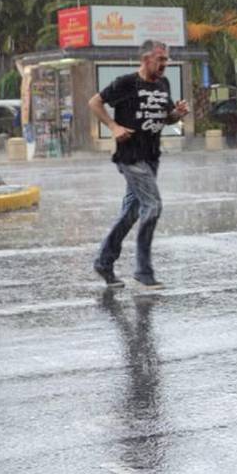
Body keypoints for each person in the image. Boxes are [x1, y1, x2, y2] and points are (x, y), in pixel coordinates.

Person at [89, 40, 189, 290]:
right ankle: (144, 272)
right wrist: (113, 127)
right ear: (145, 60)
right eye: (160, 59)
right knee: (153, 206)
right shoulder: (127, 83)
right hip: (130, 155)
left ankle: (104, 262)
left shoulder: (163, 84)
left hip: (151, 156)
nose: (164, 64)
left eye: (166, 59)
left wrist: (177, 114)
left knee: (132, 212)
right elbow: (94, 102)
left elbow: (166, 118)